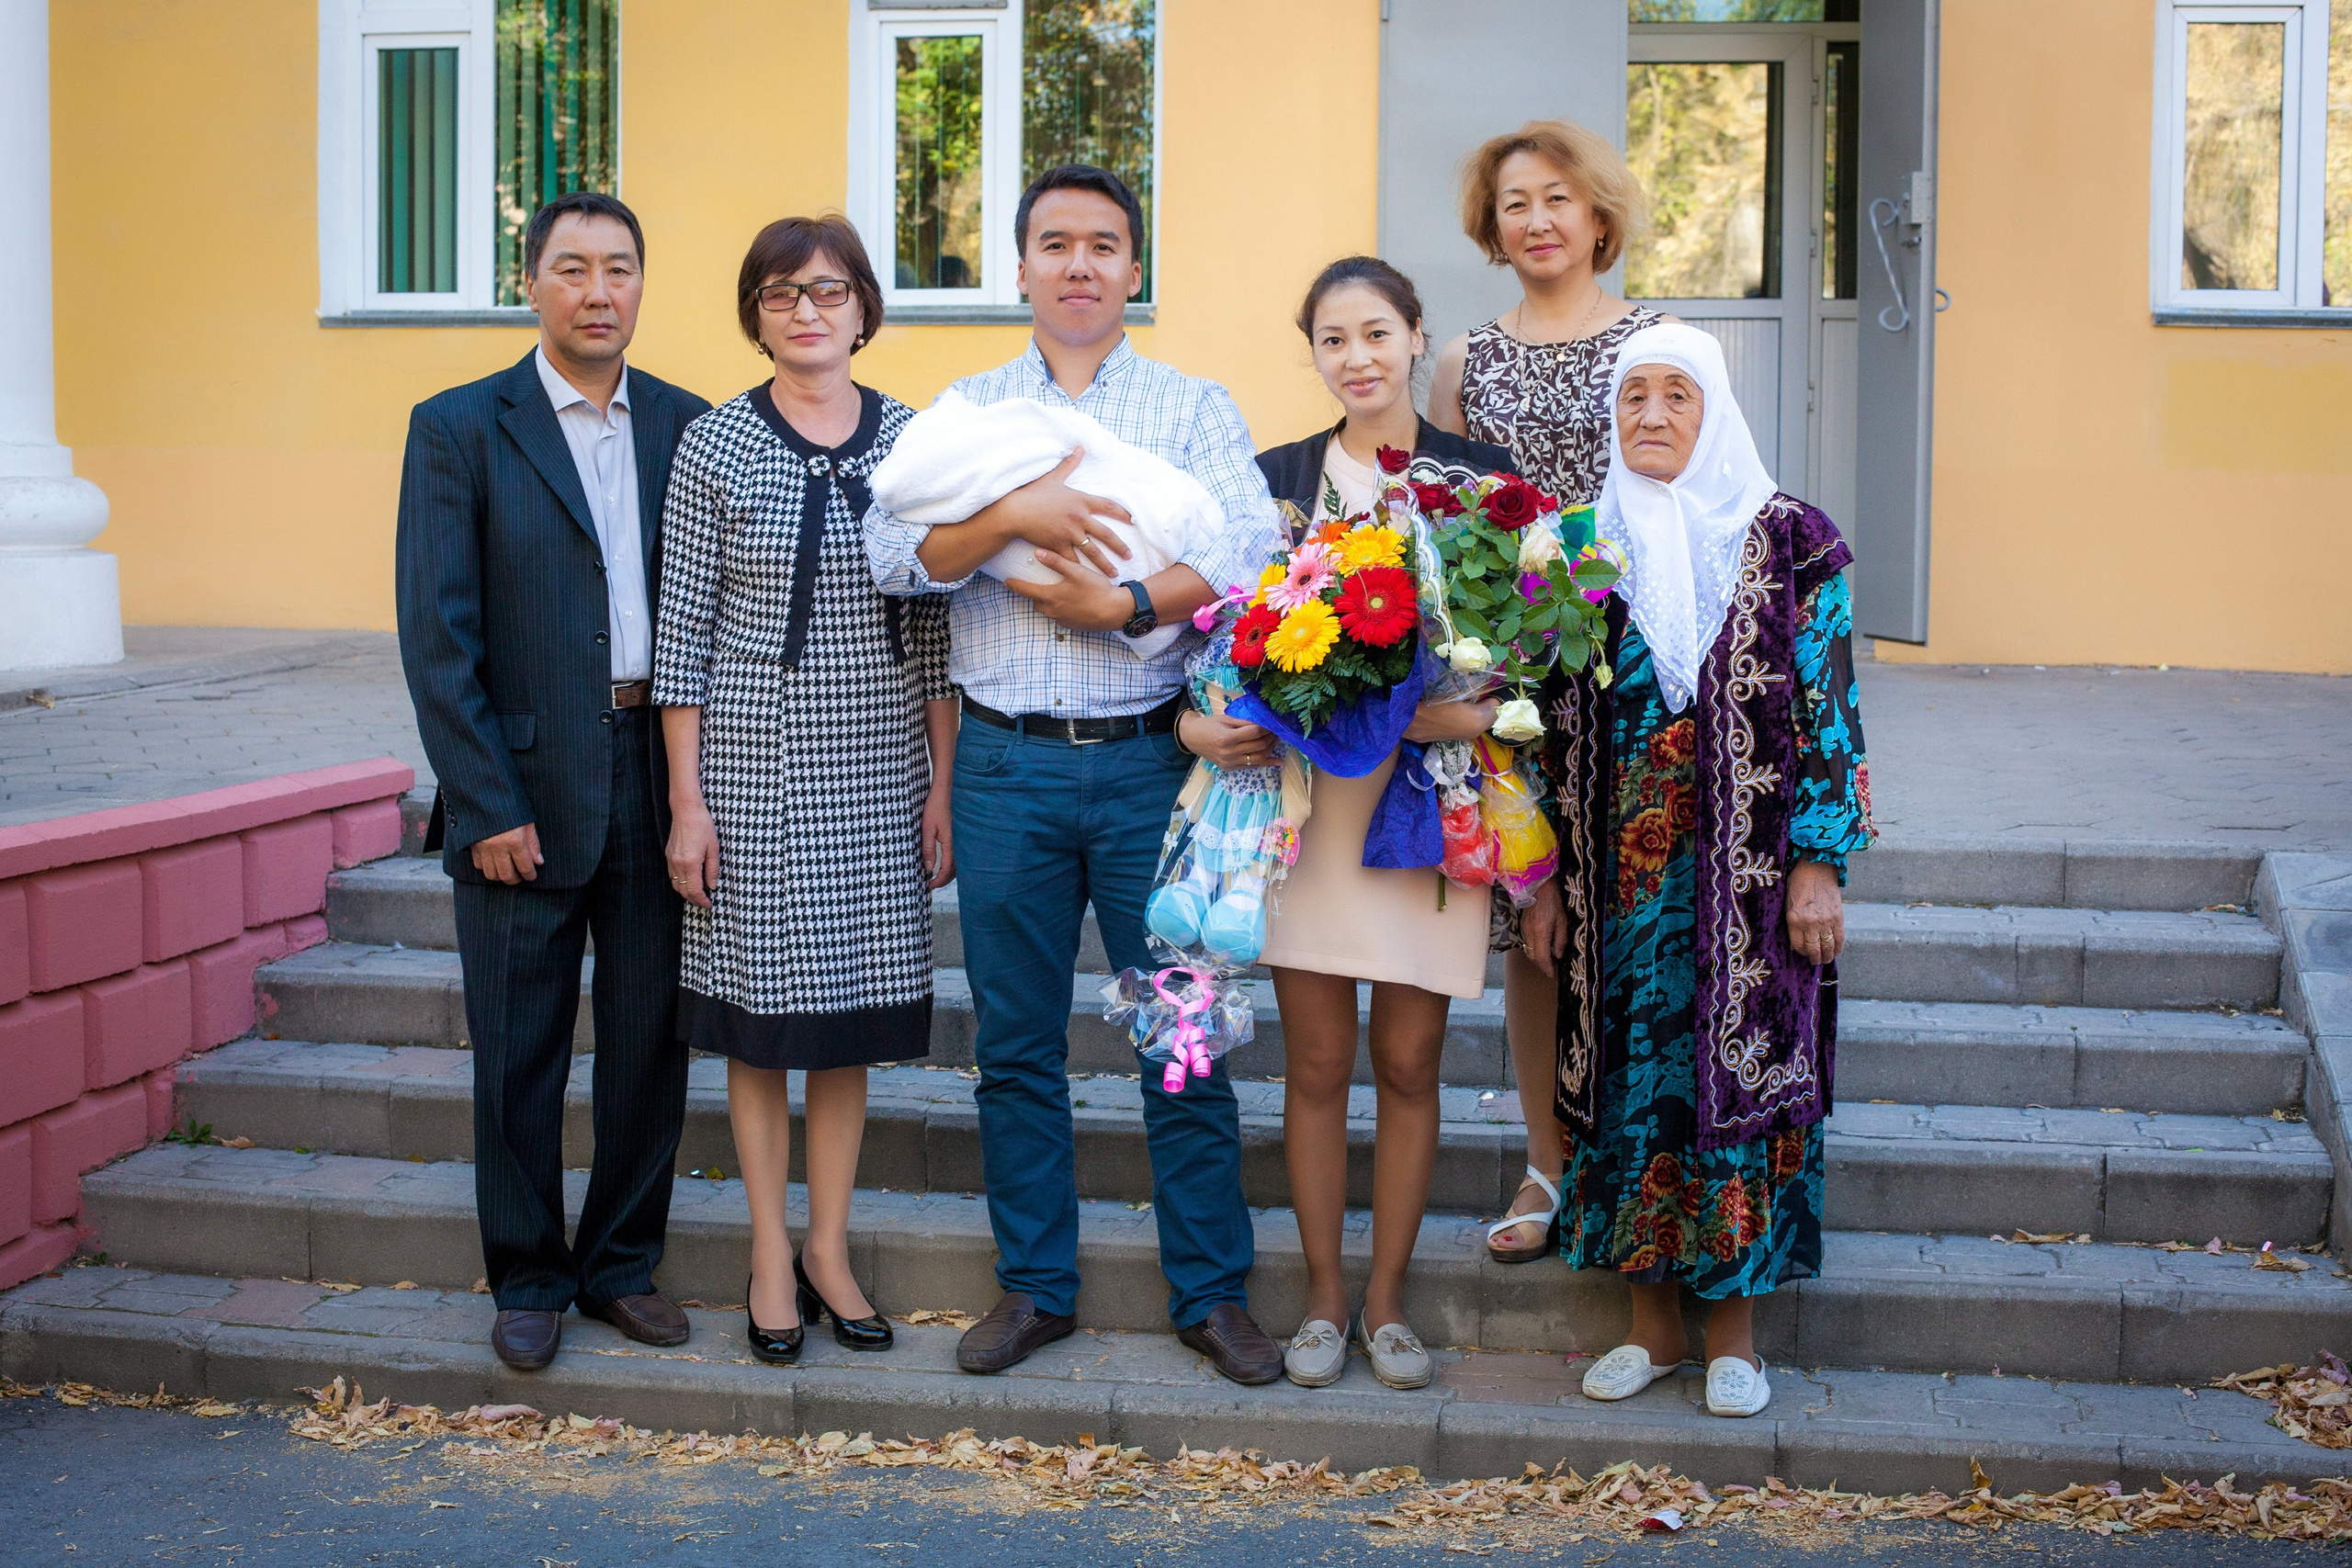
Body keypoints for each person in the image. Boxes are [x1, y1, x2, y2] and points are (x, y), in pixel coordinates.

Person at [867, 165, 1285, 1384]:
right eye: (1056, 244)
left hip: (1158, 762)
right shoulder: (968, 407)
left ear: (1135, 269)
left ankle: (1211, 1290)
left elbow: (1246, 554)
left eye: (1105, 244)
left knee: (1186, 1036)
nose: (1080, 265)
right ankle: (1037, 1285)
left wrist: (1123, 600)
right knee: (1015, 1045)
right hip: (1006, 766)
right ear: (1021, 268)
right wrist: (1021, 512)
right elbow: (898, 555)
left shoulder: (1193, 407)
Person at [396, 192, 711, 1371]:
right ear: (531, 284)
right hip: (519, 786)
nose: (597, 291)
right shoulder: (460, 427)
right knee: (518, 1046)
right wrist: (484, 801)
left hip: (654, 764)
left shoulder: (689, 425)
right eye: (571, 268)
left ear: (641, 285)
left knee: (647, 1042)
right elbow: (437, 635)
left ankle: (620, 1266)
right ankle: (527, 1274)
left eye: (618, 269)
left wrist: (703, 792)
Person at [654, 216, 955, 1366]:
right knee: (762, 1019)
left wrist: (940, 783)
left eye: (828, 291)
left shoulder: (917, 444)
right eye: (782, 293)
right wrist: (687, 801)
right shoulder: (715, 444)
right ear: (757, 313)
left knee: (849, 1023)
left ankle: (830, 1248)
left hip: (880, 761)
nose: (808, 311)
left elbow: (937, 629)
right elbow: (682, 631)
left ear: (864, 309)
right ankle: (768, 1255)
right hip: (751, 760)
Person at [1567, 322, 1872, 1418]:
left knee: (1744, 1083)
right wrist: (1546, 881)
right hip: (1619, 887)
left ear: (1716, 411)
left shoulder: (1791, 539)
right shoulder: (1576, 543)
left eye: (1676, 396)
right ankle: (1651, 1329)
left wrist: (1817, 865)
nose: (1651, 416)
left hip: (1749, 884)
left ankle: (1735, 1334)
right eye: (1632, 397)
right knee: (1634, 1091)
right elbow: (1549, 726)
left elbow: (1830, 710)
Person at [1246, 257, 1518, 1390]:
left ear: (1416, 336)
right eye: (1331, 339)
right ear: (1311, 354)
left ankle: (1390, 1306)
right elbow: (1231, 641)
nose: (1355, 357)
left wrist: (1456, 714)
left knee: (1407, 1062)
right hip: (1311, 808)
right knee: (1314, 1064)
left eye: (1375, 333)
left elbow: (1532, 650)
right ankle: (1319, 1303)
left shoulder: (1484, 484)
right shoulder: (1278, 483)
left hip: (1428, 807)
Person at [1427, 118, 1665, 1267]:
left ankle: (1632, 1154)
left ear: (1598, 215)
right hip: (1518, 683)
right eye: (1515, 202)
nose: (1536, 221)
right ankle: (1545, 1163)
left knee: (1629, 920)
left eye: (1557, 199)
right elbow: (1446, 532)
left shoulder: (1658, 342)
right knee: (1534, 927)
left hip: (1637, 672)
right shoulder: (1464, 360)